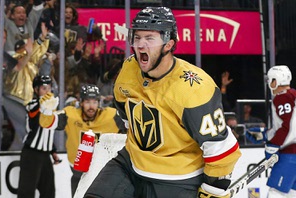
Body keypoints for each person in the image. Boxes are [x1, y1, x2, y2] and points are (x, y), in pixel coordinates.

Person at [84, 7, 241, 198]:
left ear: (168, 44)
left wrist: (213, 190)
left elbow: (220, 149)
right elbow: (124, 112)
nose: (140, 45)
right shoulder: (128, 68)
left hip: (178, 178)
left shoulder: (194, 88)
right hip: (130, 164)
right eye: (137, 37)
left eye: (150, 38)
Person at [39, 84, 127, 197]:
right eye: (87, 102)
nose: (91, 106)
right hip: (78, 171)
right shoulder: (71, 115)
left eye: (94, 102)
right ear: (81, 103)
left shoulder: (111, 116)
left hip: (103, 170)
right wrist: (46, 112)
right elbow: (48, 123)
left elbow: (132, 125)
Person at [246, 65, 296, 198]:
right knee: (291, 192)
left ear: (277, 80)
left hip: (290, 154)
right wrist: (264, 135)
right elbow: (285, 126)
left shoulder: (282, 98)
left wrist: (272, 146)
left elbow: (289, 127)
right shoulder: (293, 95)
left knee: (276, 193)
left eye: (270, 79)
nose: (269, 82)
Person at [17, 75, 61, 198]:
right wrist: (43, 105)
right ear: (36, 90)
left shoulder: (51, 107)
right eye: (43, 88)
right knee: (27, 191)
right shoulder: (33, 104)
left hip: (45, 154)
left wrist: (53, 151)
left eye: (49, 89)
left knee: (49, 191)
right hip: (31, 153)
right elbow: (33, 115)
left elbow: (47, 131)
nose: (47, 92)